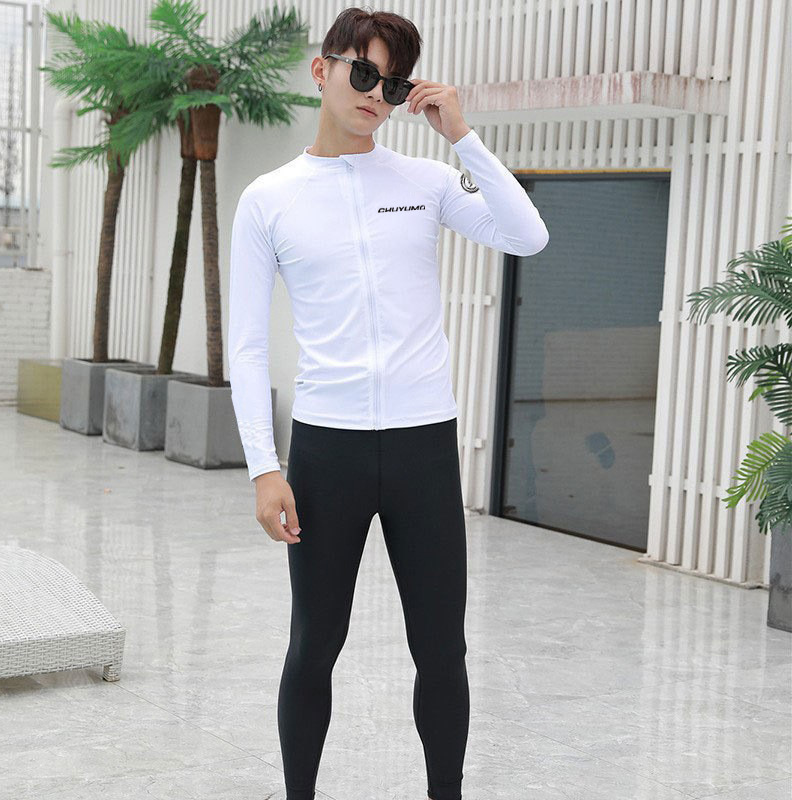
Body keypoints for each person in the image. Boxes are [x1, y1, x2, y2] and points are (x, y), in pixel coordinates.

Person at [227, 8, 549, 800]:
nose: (376, 94)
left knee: (442, 650)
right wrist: (264, 468)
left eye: (394, 83)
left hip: (422, 451)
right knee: (314, 645)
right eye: (364, 73)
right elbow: (247, 347)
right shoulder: (269, 199)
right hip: (326, 451)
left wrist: (462, 137)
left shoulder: (427, 181)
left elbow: (527, 236)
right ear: (322, 70)